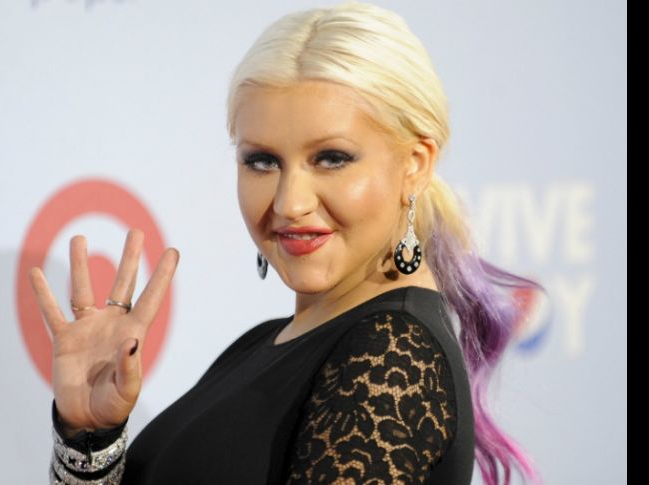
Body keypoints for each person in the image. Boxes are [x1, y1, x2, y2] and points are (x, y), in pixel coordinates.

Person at [30, 2, 545, 484]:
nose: (289, 202)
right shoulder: (261, 344)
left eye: (331, 158)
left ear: (415, 165)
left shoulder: (392, 354)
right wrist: (89, 438)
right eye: (262, 161)